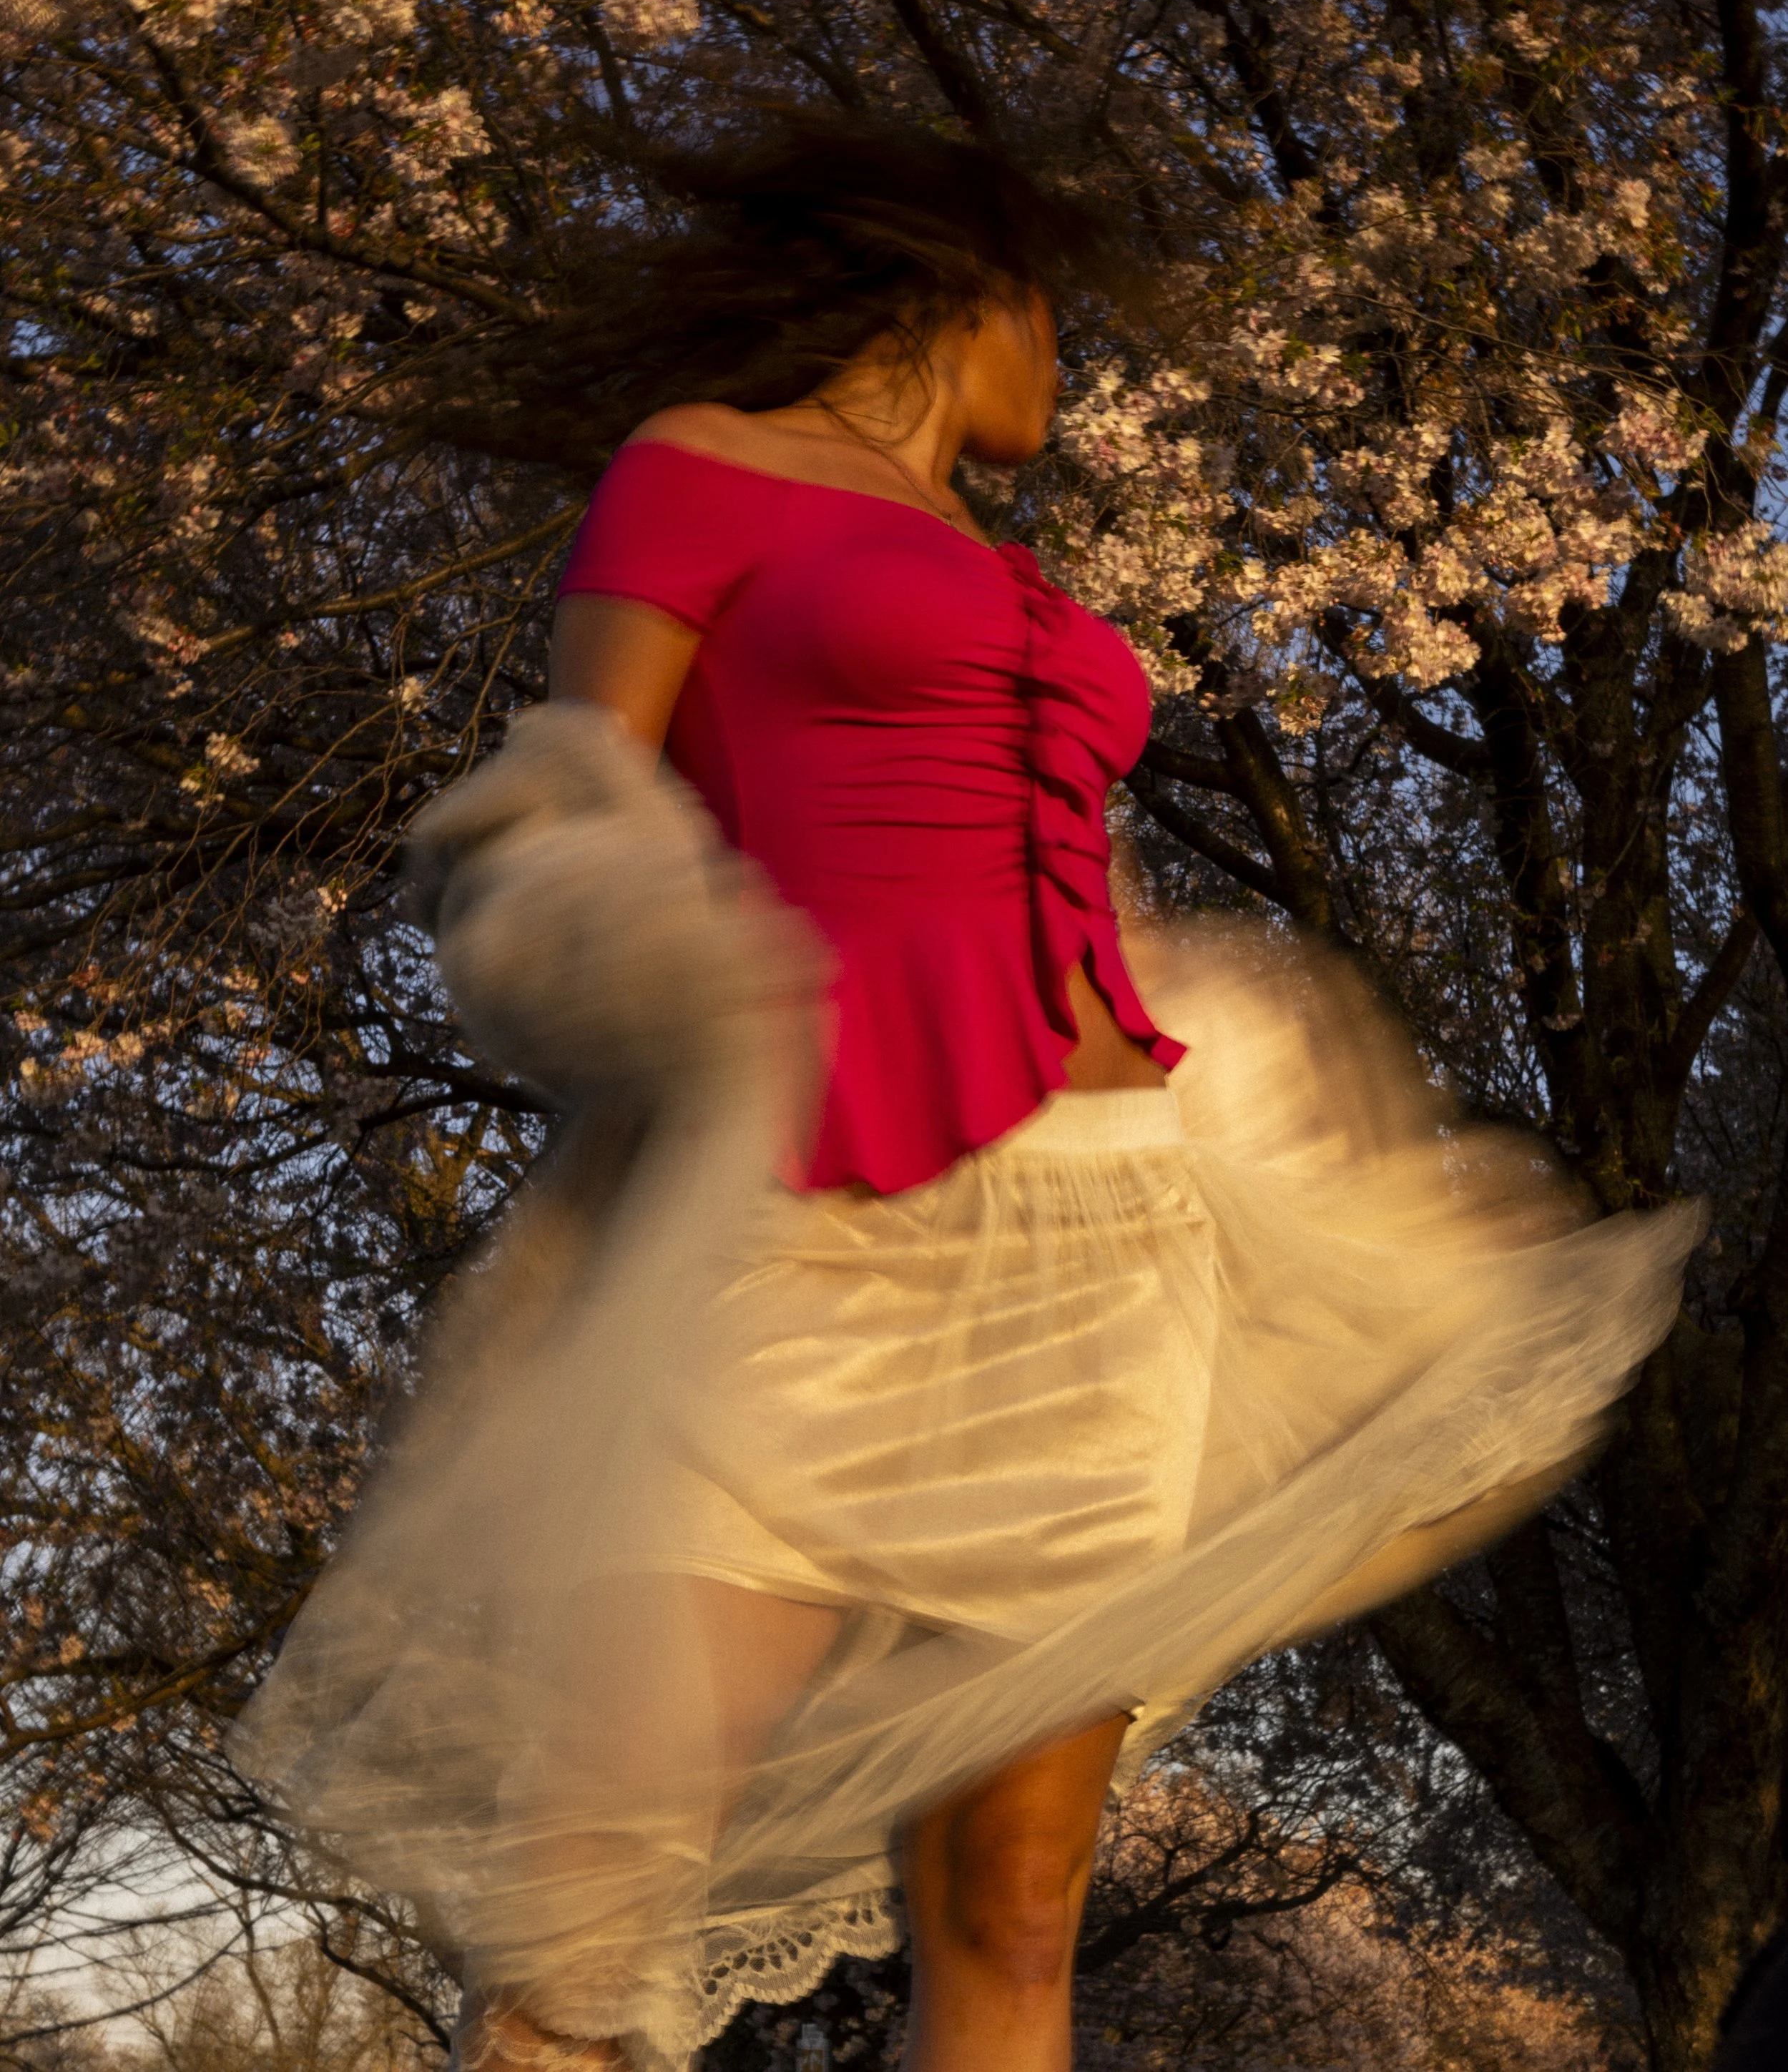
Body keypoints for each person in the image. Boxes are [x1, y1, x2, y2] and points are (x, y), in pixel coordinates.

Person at [235, 122, 1700, 2072]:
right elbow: (568, 798)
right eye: (1055, 329)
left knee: (1012, 1903)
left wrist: (1211, 1020)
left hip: (1102, 1246)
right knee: (601, 1879)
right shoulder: (702, 469)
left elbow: (1050, 870)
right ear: (961, 291)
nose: (1068, 380)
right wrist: (645, 942)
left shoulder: (1007, 568)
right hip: (813, 1222)